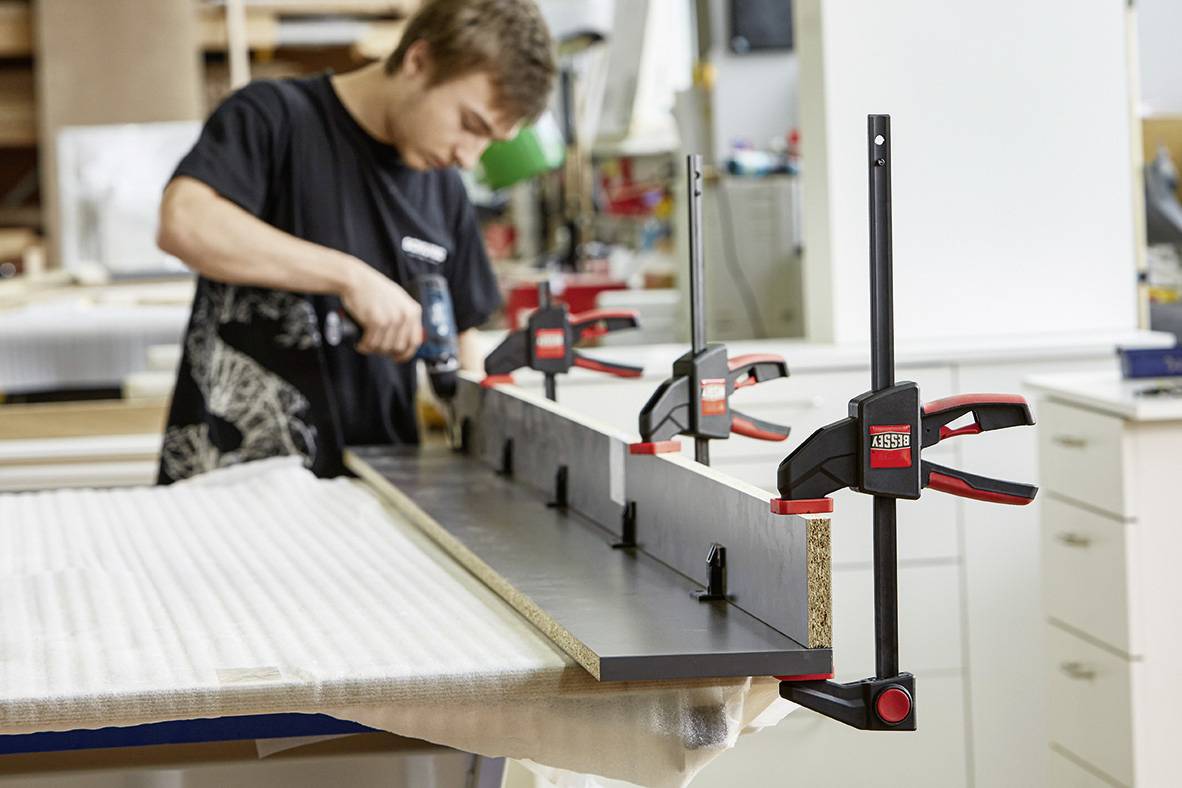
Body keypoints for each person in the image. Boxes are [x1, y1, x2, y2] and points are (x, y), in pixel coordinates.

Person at [154, 0, 556, 483]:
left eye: (490, 141)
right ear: (418, 61)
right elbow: (185, 223)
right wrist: (351, 278)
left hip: (374, 488)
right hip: (233, 482)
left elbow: (464, 338)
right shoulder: (273, 117)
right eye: (470, 125)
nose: (470, 158)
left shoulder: (443, 186)